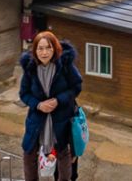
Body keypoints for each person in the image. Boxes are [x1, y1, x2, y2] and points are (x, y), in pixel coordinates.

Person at [20, 30, 83, 181]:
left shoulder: (64, 65)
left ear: (55, 48)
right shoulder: (30, 68)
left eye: (48, 48)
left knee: (63, 151)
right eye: (40, 48)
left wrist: (58, 100)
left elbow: (76, 87)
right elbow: (24, 93)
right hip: (37, 118)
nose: (44, 52)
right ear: (35, 51)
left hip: (61, 117)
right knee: (29, 152)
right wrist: (38, 105)